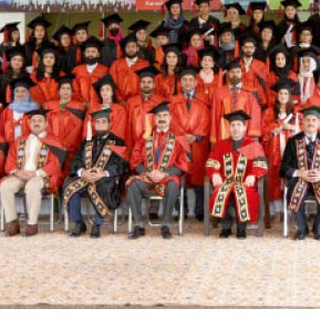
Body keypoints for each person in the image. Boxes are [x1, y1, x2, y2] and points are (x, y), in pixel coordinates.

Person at [0, 108, 65, 237]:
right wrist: (17, 172)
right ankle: (13, 222)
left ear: (46, 124)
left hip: (40, 175)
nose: (36, 123)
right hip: (20, 174)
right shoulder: (20, 140)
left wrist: (36, 173)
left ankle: (32, 224)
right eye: (33, 120)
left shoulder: (54, 141)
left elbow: (55, 164)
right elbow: (10, 160)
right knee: (5, 186)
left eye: (39, 120)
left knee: (32, 186)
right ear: (29, 123)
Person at [126, 102, 188, 239]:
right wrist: (148, 173)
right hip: (147, 176)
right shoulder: (145, 137)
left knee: (173, 186)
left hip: (167, 177)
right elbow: (135, 160)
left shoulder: (178, 137)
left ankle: (165, 225)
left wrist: (165, 173)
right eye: (159, 115)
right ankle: (138, 225)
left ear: (170, 118)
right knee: (132, 185)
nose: (162, 118)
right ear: (154, 119)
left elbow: (183, 162)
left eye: (165, 115)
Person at [280, 106, 320, 240]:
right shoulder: (293, 141)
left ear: (319, 123)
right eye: (307, 119)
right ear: (302, 122)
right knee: (294, 188)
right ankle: (302, 229)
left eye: (314, 120)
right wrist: (299, 173)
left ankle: (318, 227)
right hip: (301, 178)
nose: (310, 123)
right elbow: (285, 166)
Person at [64, 108, 128, 238]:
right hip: (86, 178)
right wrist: (82, 172)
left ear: (110, 124)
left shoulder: (118, 142)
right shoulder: (87, 142)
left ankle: (97, 224)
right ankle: (78, 223)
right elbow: (76, 160)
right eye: (97, 122)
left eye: (103, 122)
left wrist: (103, 173)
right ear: (94, 124)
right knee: (70, 186)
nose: (100, 124)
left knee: (104, 187)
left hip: (104, 178)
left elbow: (121, 164)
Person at [206, 109, 269, 238]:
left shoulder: (252, 145)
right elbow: (212, 162)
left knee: (243, 192)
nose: (235, 128)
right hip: (226, 181)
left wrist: (253, 175)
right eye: (233, 125)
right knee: (221, 192)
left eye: (239, 125)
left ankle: (241, 228)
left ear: (245, 127)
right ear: (229, 127)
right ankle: (226, 227)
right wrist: (214, 173)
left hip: (245, 182)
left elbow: (261, 164)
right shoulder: (221, 144)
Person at [169, 66, 211, 221]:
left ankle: (200, 210)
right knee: (179, 176)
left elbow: (206, 120)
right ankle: (181, 210)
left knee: (199, 176)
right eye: (184, 80)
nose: (187, 83)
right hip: (179, 144)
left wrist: (195, 136)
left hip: (198, 144)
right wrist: (183, 137)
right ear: (180, 82)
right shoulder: (173, 102)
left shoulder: (203, 101)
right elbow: (171, 121)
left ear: (196, 82)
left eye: (190, 80)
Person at [261, 78, 300, 222]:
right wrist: (277, 128)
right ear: (277, 96)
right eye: (281, 93)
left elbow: (301, 132)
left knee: (289, 178)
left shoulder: (296, 114)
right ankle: (277, 211)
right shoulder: (269, 112)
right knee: (275, 179)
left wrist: (292, 128)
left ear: (290, 96)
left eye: (286, 94)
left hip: (290, 149)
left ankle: (289, 210)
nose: (283, 96)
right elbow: (264, 131)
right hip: (275, 149)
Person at [209, 59, 262, 145]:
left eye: (238, 72)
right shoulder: (219, 93)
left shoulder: (250, 92)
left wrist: (253, 138)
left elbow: (255, 116)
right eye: (232, 72)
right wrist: (213, 139)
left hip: (244, 135)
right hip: (223, 134)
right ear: (228, 74)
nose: (235, 74)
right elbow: (214, 116)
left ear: (242, 74)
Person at [44, 76, 86, 167]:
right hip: (52, 146)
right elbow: (47, 126)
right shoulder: (49, 106)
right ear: (58, 91)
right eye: (63, 88)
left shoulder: (78, 107)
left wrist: (66, 144)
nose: (65, 91)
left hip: (72, 147)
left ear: (72, 92)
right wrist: (55, 143)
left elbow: (78, 128)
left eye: (68, 89)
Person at [109, 33, 150, 101]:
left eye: (133, 46)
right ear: (124, 49)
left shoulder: (145, 64)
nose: (131, 49)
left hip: (139, 102)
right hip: (120, 102)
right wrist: (119, 100)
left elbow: (147, 84)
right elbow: (112, 83)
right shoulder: (116, 64)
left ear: (137, 49)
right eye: (128, 47)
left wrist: (138, 100)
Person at [72, 37, 109, 106]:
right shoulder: (77, 70)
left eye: (93, 51)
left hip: (99, 105)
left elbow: (107, 89)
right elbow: (75, 89)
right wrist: (82, 102)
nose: (90, 54)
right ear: (84, 54)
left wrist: (100, 103)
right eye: (88, 51)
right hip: (81, 105)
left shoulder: (105, 70)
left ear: (98, 54)